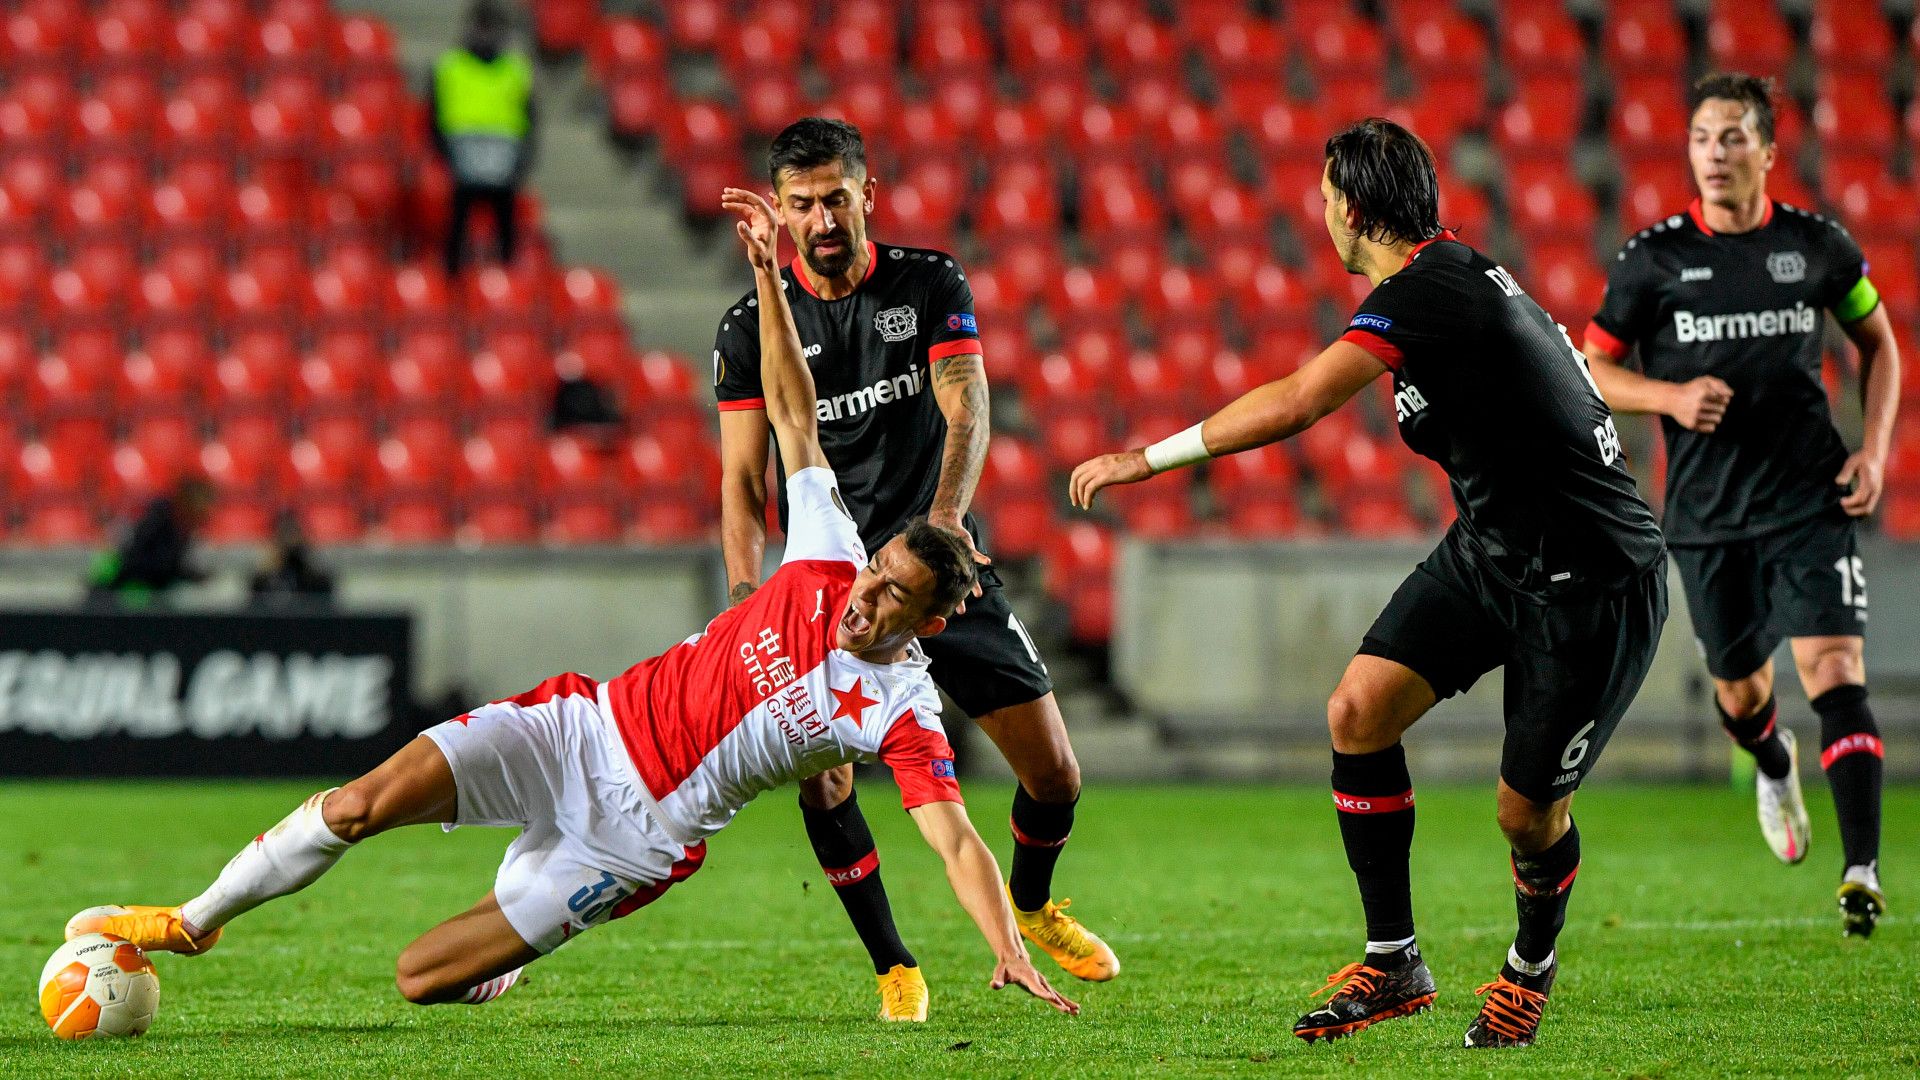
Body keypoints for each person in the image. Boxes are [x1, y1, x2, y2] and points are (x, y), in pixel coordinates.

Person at [66, 197, 1077, 1021]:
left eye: (894, 596)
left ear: (928, 624)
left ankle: (512, 949)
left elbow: (955, 840)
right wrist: (771, 280)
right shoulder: (827, 554)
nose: (867, 597)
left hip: (634, 840)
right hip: (577, 729)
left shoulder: (901, 711)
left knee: (421, 979)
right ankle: (193, 920)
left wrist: (1004, 944)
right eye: (876, 572)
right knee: (360, 805)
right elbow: (790, 414)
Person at [1071, 119, 1668, 1049]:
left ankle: (1529, 968)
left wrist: (1145, 459)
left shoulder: (1428, 288)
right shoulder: (1443, 282)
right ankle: (1394, 961)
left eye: (1323, 199)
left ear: (1351, 208)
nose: (1320, 216)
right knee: (1357, 712)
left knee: (1526, 815)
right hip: (1493, 551)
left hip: (1591, 580)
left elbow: (1299, 400)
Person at [713, 118, 1115, 1022]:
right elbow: (743, 480)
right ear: (780, 209)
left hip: (935, 564)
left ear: (868, 194)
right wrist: (745, 595)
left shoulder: (929, 283)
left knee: (1056, 776)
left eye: (836, 198)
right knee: (825, 779)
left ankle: (1032, 903)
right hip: (832, 586)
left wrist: (942, 527)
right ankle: (894, 964)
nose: (823, 220)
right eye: (803, 204)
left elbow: (967, 406)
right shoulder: (751, 325)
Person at [1582, 73, 1899, 937]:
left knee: (1833, 670)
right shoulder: (1652, 260)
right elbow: (1591, 367)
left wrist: (1874, 450)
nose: (1714, 154)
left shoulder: (1816, 247)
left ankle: (1861, 871)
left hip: (1808, 498)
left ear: (1767, 150)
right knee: (1741, 696)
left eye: (1731, 137)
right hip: (1706, 515)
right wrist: (1669, 399)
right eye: (1700, 138)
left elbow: (1879, 343)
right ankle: (1772, 762)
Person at [428, 0, 537, 276]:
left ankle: (506, 282)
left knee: (506, 225)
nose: (486, 35)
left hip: (504, 157)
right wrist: (445, 152)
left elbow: (530, 117)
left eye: (492, 28)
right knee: (457, 222)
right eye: (481, 27)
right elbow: (434, 115)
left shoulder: (517, 69)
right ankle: (453, 280)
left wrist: (523, 158)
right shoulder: (449, 66)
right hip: (462, 156)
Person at [86, 477, 214, 605]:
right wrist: (187, 575)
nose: (204, 509)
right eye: (201, 501)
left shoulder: (185, 529)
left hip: (152, 587)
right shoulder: (160, 518)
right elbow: (144, 559)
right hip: (131, 583)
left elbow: (170, 566)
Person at [248, 513, 336, 607]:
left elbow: (324, 606)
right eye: (284, 535)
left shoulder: (317, 580)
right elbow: (256, 608)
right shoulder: (262, 581)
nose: (289, 541)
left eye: (293, 534)